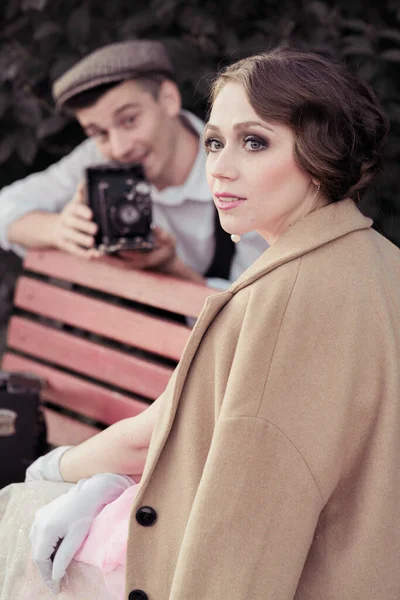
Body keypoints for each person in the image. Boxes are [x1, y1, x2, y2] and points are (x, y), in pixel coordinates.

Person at [1, 46, 400, 600]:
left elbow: (240, 540)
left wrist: (43, 474)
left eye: (254, 142)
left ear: (321, 150)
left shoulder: (281, 299)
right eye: (214, 142)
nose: (220, 166)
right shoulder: (377, 258)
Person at [0, 39, 268, 287]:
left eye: (129, 120)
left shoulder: (240, 170)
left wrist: (172, 268)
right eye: (99, 133)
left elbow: (254, 308)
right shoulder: (98, 156)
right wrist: (58, 229)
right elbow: (5, 205)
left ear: (168, 99)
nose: (119, 148)